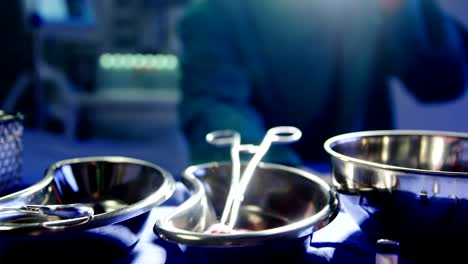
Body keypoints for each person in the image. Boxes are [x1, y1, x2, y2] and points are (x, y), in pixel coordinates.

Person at [177, 0, 467, 167]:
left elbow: (442, 82)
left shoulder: (362, 9)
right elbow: (214, 107)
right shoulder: (216, 12)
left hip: (360, 196)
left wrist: (400, 9)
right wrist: (281, 181)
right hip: (257, 201)